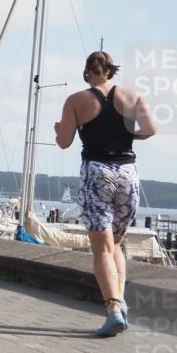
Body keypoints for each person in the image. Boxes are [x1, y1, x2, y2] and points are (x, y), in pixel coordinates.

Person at [55, 51, 157, 337]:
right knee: (116, 244)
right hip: (128, 173)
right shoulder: (133, 97)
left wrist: (58, 131)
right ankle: (121, 303)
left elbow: (64, 142)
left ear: (88, 72)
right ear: (112, 72)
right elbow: (151, 128)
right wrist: (127, 136)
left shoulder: (76, 100)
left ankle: (113, 308)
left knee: (101, 248)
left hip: (97, 172)